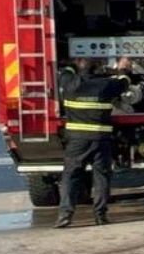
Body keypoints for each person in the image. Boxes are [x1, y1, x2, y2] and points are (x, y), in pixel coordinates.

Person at [54, 61, 134, 228]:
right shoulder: (107, 85)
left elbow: (65, 72)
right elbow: (125, 81)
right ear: (99, 71)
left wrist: (72, 62)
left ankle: (65, 216)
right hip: (100, 139)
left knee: (71, 176)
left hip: (76, 141)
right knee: (101, 177)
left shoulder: (69, 83)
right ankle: (100, 216)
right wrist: (123, 67)